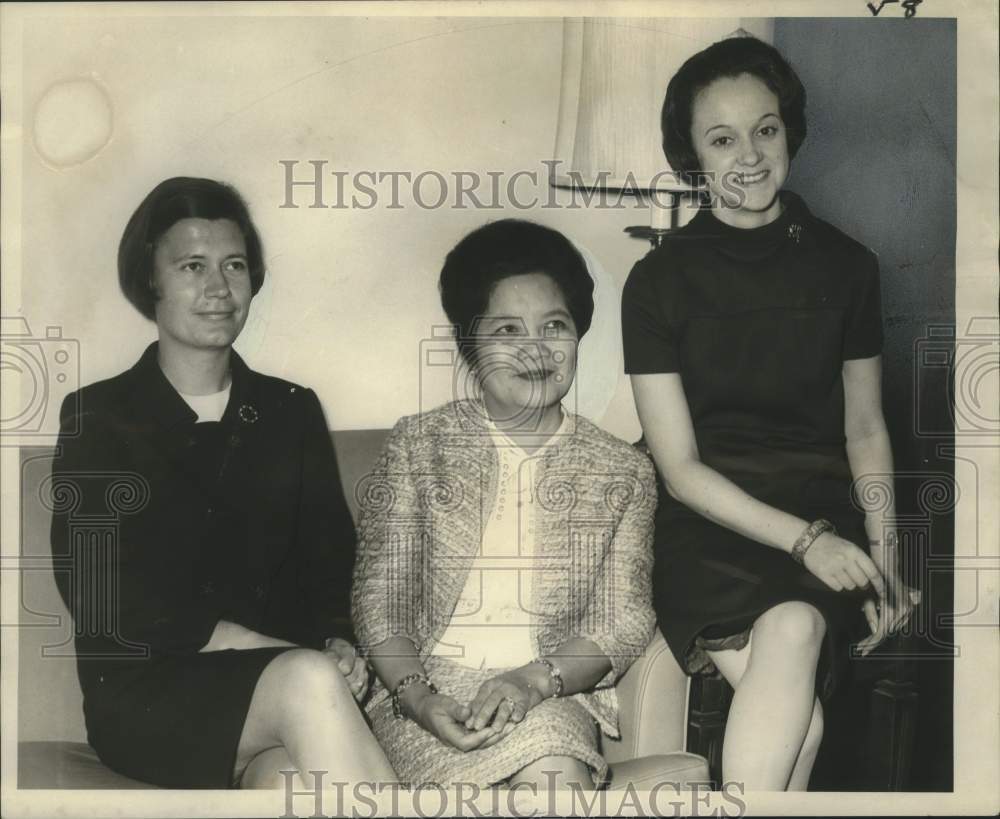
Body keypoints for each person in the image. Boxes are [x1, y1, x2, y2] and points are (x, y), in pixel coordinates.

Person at [621, 36, 920, 791]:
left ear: (790, 130)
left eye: (766, 128)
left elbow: (864, 428)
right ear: (692, 155)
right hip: (710, 528)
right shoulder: (656, 282)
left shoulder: (848, 265)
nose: (749, 155)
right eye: (721, 138)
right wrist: (807, 542)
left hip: (825, 515)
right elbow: (680, 469)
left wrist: (886, 552)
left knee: (796, 666)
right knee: (797, 691)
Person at [49, 177, 397, 789]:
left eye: (234, 265)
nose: (218, 288)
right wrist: (273, 650)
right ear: (151, 280)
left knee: (293, 783)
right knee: (309, 681)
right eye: (192, 266)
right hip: (150, 697)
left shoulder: (290, 410)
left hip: (278, 694)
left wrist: (339, 641)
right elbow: (98, 588)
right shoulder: (98, 417)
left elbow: (329, 561)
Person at [351, 219, 656, 790]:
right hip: (426, 690)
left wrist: (532, 682)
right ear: (470, 345)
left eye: (554, 326)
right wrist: (419, 700)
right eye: (508, 330)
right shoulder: (420, 444)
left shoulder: (624, 470)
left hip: (546, 692)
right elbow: (380, 602)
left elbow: (626, 618)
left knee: (555, 777)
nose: (536, 350)